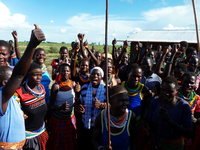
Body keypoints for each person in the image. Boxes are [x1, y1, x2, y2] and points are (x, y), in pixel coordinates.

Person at [0, 24, 45, 149]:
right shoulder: (5, 90)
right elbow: (18, 75)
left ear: (9, 54)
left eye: (3, 54)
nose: (0, 57)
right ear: (5, 83)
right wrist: (32, 45)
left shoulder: (11, 70)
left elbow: (22, 72)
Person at [147, 76, 193, 150]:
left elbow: (188, 133)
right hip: (156, 143)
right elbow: (149, 124)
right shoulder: (155, 101)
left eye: (170, 91)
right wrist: (154, 140)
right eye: (163, 90)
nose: (166, 94)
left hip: (175, 145)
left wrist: (169, 120)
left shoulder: (183, 106)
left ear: (176, 90)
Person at [15, 63, 50, 150]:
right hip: (29, 138)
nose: (39, 78)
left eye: (40, 75)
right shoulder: (19, 93)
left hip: (42, 132)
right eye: (35, 75)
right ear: (27, 74)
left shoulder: (41, 89)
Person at [92, 85, 137, 150]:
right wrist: (101, 148)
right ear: (110, 101)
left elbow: (133, 139)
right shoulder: (101, 117)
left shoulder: (131, 117)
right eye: (121, 100)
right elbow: (94, 140)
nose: (125, 104)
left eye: (127, 100)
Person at [121, 63, 153, 150]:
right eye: (133, 76)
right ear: (128, 74)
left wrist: (143, 118)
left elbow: (146, 106)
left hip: (137, 125)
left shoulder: (144, 89)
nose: (136, 79)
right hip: (122, 125)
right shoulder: (122, 86)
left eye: (139, 77)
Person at [49, 63, 81, 150]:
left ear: (70, 72)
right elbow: (50, 106)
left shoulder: (74, 84)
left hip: (70, 117)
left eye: (67, 71)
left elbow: (76, 101)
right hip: (58, 119)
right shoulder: (56, 86)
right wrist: (60, 108)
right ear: (59, 72)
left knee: (71, 142)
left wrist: (78, 92)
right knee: (58, 144)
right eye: (63, 71)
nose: (65, 73)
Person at [77, 67, 107, 149]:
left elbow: (111, 105)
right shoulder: (84, 88)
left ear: (101, 77)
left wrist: (101, 105)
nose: (95, 76)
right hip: (86, 125)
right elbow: (80, 103)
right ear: (90, 76)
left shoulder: (106, 89)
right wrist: (80, 108)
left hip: (101, 126)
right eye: (93, 74)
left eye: (98, 74)